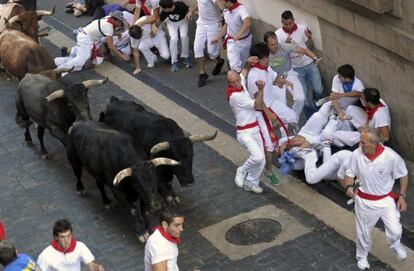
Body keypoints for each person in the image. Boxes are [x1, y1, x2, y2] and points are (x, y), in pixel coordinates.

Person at [342, 127, 408, 270]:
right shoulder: (356, 155)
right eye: (360, 141)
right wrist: (348, 187)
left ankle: (395, 244)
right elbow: (349, 175)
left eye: (363, 142)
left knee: (396, 230)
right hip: (364, 202)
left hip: (386, 201)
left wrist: (402, 196)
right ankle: (362, 257)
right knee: (363, 232)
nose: (360, 145)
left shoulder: (391, 157)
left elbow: (403, 174)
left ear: (374, 144)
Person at [247, 42, 291, 186]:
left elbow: (274, 77)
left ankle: (264, 138)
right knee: (270, 145)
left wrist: (285, 82)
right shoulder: (254, 75)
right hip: (260, 113)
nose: (267, 60)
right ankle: (268, 170)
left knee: (285, 121)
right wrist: (269, 114)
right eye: (264, 58)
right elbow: (258, 101)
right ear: (256, 59)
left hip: (270, 109)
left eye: (267, 57)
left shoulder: (266, 68)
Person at [227, 68, 270, 193]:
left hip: (254, 129)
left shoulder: (240, 84)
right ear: (230, 84)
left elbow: (244, 72)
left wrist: (248, 62)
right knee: (258, 157)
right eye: (234, 81)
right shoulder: (235, 96)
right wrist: (261, 89)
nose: (238, 82)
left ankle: (251, 181)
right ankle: (242, 170)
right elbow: (257, 105)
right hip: (245, 133)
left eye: (238, 79)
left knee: (261, 161)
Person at [264, 31, 320, 124]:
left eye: (276, 43)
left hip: (288, 74)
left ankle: (293, 120)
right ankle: (283, 127)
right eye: (272, 45)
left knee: (300, 98)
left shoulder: (284, 47)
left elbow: (304, 50)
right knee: (282, 105)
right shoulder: (263, 53)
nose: (276, 46)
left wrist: (315, 58)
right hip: (274, 79)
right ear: (266, 44)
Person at [275, 10, 323, 118]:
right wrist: (285, 46)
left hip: (309, 63)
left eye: (290, 24)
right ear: (282, 22)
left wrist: (310, 38)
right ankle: (311, 117)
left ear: (293, 21)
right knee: (303, 97)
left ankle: (318, 106)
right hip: (295, 69)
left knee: (318, 89)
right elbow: (278, 54)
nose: (288, 26)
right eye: (285, 24)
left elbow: (308, 47)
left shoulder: (302, 29)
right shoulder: (278, 35)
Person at [55, 10, 130, 74]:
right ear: (114, 19)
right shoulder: (109, 27)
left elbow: (105, 31)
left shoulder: (108, 18)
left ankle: (57, 61)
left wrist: (116, 33)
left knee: (82, 59)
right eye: (119, 21)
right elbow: (111, 46)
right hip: (86, 38)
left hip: (88, 37)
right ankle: (58, 70)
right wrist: (122, 56)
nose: (120, 23)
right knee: (81, 60)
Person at [37, 219, 105, 271]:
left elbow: (91, 264)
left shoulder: (80, 246)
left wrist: (96, 269)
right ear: (56, 237)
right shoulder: (45, 256)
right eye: (62, 237)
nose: (67, 241)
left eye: (68, 236)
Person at [186, 0, 225, 87]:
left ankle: (219, 61)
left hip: (214, 24)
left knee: (212, 53)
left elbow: (222, 7)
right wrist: (191, 11)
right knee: (197, 49)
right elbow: (200, 3)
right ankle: (202, 74)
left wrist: (227, 14)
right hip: (201, 24)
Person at [212, 0, 251, 73]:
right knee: (234, 66)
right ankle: (236, 81)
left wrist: (239, 33)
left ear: (227, 1)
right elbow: (227, 25)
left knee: (243, 64)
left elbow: (248, 22)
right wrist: (218, 37)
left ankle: (241, 80)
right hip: (232, 41)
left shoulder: (241, 9)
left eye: (220, 1)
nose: (218, 3)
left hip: (245, 41)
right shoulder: (226, 11)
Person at [159, 0, 192, 72]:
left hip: (183, 21)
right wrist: (154, 26)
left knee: (184, 36)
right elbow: (159, 21)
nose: (161, 9)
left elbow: (190, 8)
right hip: (171, 23)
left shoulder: (180, 6)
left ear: (167, 8)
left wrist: (190, 13)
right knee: (174, 39)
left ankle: (186, 56)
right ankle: (174, 61)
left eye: (162, 8)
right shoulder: (164, 12)